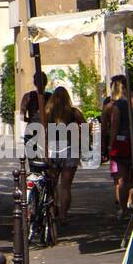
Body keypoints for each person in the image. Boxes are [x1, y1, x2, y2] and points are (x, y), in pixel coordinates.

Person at [47, 85, 85, 225]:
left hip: (52, 149)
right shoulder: (73, 112)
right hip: (70, 148)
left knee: (52, 183)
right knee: (65, 186)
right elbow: (85, 127)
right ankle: (63, 215)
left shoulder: (47, 112)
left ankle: (51, 211)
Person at [102, 75, 133, 219]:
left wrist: (107, 146)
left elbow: (107, 127)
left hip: (118, 145)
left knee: (119, 178)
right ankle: (130, 201)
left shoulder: (110, 106)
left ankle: (122, 206)